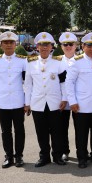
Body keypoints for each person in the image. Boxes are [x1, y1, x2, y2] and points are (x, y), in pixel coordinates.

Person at [24, 32, 68, 167]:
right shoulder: (30, 63)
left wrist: (65, 98)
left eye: (47, 45)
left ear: (51, 47)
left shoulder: (58, 63)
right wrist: (27, 103)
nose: (44, 47)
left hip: (55, 102)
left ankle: (57, 156)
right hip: (38, 103)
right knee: (41, 132)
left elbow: (63, 82)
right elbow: (28, 84)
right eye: (41, 45)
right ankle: (44, 157)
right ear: (37, 47)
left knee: (56, 131)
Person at [65, 32, 92, 168]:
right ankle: (82, 157)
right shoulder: (76, 62)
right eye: (89, 46)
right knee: (81, 134)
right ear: (83, 46)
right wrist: (73, 102)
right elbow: (69, 83)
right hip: (81, 105)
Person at [0, 31, 28, 168]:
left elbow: (27, 83)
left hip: (18, 101)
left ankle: (19, 156)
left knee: (19, 130)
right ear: (1, 45)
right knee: (5, 131)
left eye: (11, 42)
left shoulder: (23, 60)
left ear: (15, 44)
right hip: (2, 101)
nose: (9, 45)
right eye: (6, 42)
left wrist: (27, 102)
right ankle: (8, 156)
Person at [58, 32, 78, 161]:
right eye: (65, 44)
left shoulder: (81, 60)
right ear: (61, 46)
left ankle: (82, 151)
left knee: (80, 128)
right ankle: (64, 151)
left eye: (71, 44)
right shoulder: (57, 62)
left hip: (78, 100)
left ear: (75, 46)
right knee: (62, 128)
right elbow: (59, 82)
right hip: (62, 101)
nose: (68, 46)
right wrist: (64, 98)